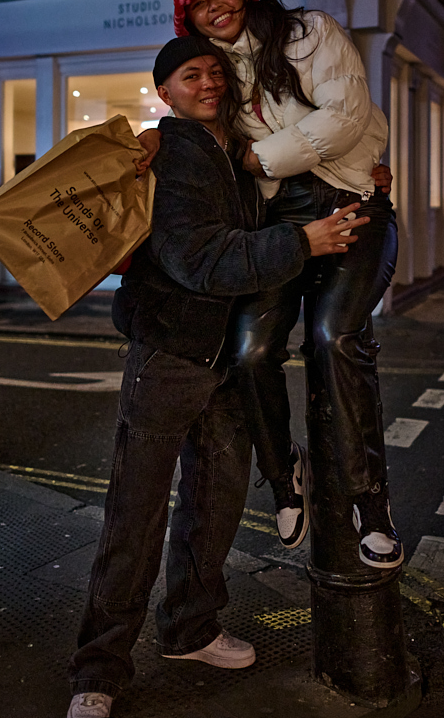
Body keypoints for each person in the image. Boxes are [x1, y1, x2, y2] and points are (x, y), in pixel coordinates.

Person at [65, 37, 369, 718]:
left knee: (215, 501)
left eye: (213, 71)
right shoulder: (173, 153)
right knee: (135, 515)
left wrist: (361, 171)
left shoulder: (235, 152)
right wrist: (302, 243)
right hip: (169, 355)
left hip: (225, 360)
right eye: (189, 75)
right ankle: (98, 671)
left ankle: (191, 629)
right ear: (165, 93)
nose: (207, 82)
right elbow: (196, 258)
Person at [161, 0, 402, 568]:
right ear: (188, 18)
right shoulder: (216, 72)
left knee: (334, 337)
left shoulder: (309, 32)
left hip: (351, 202)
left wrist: (261, 158)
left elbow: (345, 117)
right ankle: (282, 472)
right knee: (250, 350)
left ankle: (369, 499)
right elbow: (201, 134)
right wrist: (153, 139)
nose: (214, 8)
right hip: (279, 221)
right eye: (197, 4)